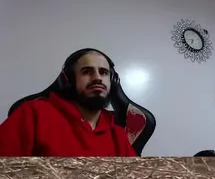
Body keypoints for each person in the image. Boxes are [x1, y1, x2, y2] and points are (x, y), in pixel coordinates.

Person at [0, 48, 137, 157]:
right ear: (69, 80)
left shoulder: (118, 135)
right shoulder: (33, 113)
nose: (97, 78)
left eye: (104, 72)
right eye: (87, 71)